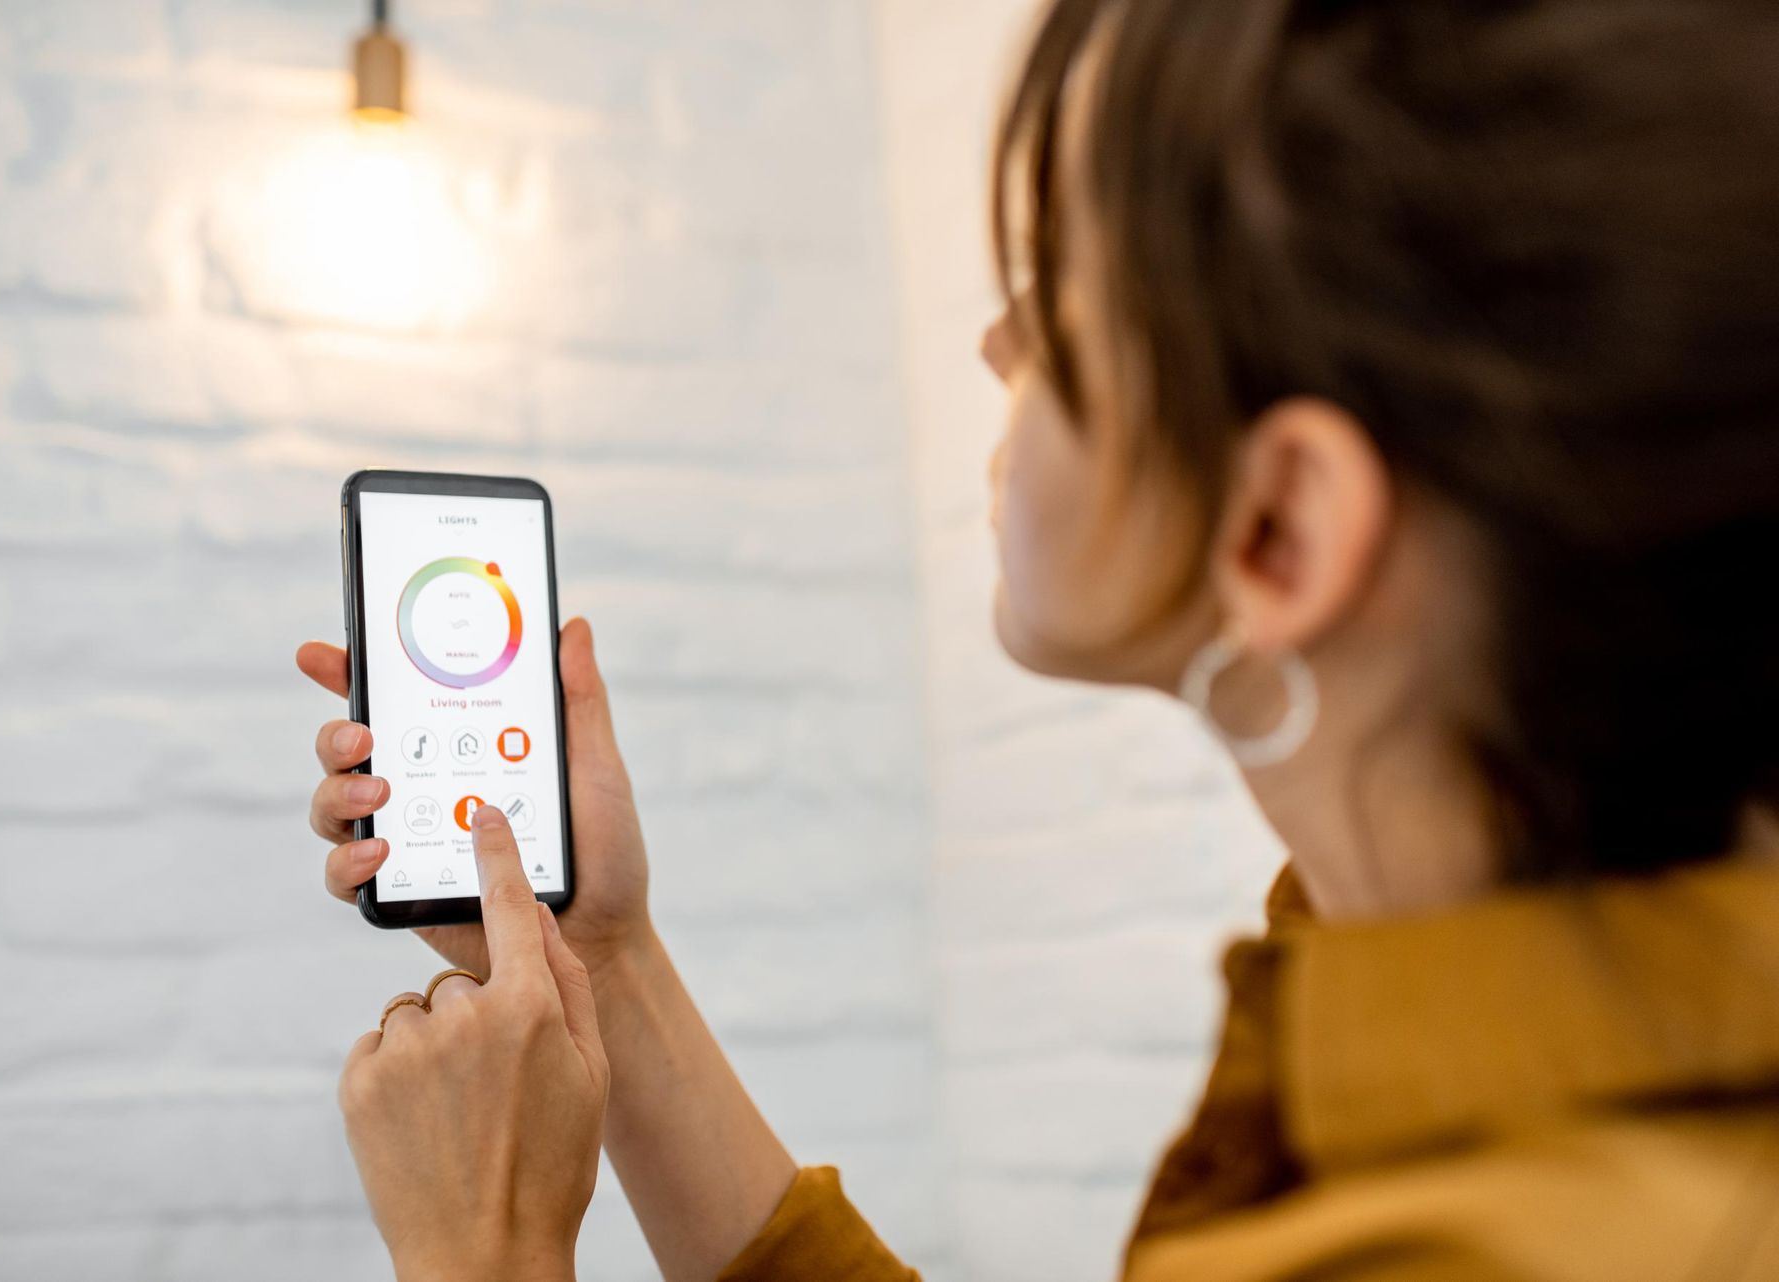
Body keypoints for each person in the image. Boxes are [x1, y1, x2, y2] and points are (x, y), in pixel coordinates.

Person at [295, 0, 1779, 1276]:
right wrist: (601, 962)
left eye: (1063, 287)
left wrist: (485, 1247)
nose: (999, 341)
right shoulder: (1392, 947)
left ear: (1283, 527)